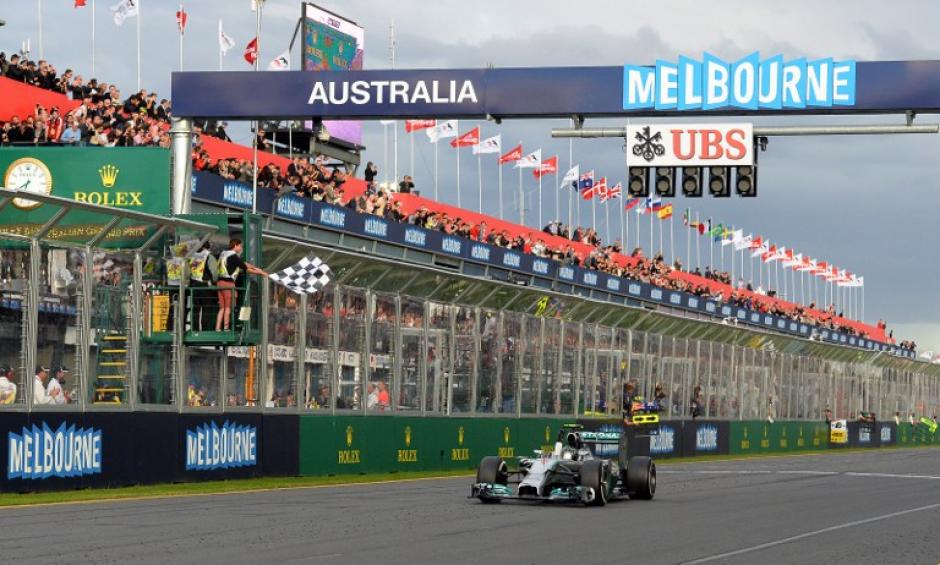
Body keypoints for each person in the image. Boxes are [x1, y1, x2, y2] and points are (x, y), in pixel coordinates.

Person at [215, 238, 268, 332]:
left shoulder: (224, 254)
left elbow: (244, 263)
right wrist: (261, 273)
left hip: (219, 283)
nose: (241, 248)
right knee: (228, 308)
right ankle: (226, 328)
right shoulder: (233, 256)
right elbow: (245, 268)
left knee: (222, 308)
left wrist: (256, 268)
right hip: (228, 284)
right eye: (240, 246)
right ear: (236, 245)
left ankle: (217, 328)